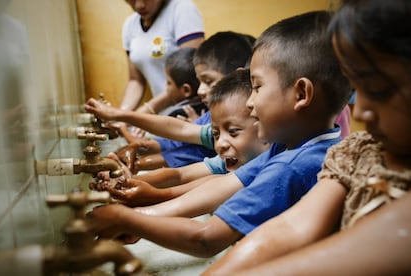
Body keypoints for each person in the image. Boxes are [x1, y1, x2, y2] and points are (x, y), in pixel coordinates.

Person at [86, 10, 351, 258]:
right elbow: (223, 184)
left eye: (257, 87)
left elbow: (206, 239)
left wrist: (126, 219)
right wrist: (144, 212)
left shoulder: (293, 164)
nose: (250, 102)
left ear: (301, 94)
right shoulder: (289, 147)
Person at [203, 1, 411, 274]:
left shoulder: (300, 160)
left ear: (302, 93)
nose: (359, 111)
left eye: (378, 89)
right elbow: (291, 228)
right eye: (357, 89)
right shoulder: (356, 153)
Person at [91, 69, 270, 206]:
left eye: (232, 132)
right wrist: (126, 183)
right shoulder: (231, 146)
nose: (220, 144)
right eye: (216, 134)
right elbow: (180, 171)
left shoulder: (273, 162)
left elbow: (205, 235)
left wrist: (144, 199)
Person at [85, 31, 255, 171]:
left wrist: (122, 117)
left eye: (208, 81)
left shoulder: (255, 137)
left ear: (236, 77)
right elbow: (176, 138)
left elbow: (182, 137)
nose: (200, 90)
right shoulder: (212, 117)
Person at [119, 0, 204, 116]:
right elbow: (136, 80)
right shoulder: (130, 25)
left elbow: (190, 73)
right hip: (161, 115)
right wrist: (121, 114)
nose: (139, 5)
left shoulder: (182, 9)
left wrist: (145, 112)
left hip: (189, 113)